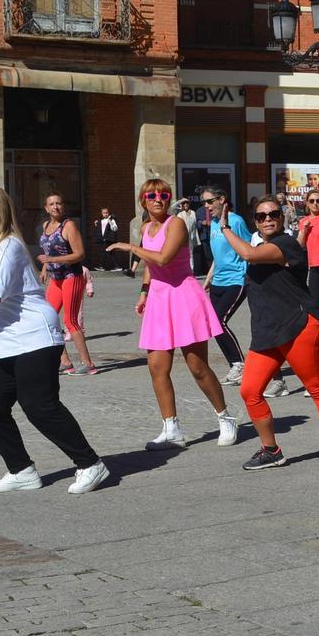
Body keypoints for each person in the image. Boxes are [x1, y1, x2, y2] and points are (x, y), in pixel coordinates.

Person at [0, 187, 108, 494]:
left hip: (33, 338)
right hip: (1, 345)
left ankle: (90, 464)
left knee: (39, 406)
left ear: (1, 215)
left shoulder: (9, 246)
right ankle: (22, 470)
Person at [217, 197, 319, 471]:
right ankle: (271, 450)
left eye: (273, 214)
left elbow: (248, 254)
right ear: (255, 221)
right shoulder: (261, 245)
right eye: (261, 216)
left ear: (282, 218)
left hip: (297, 326)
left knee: (317, 386)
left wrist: (224, 228)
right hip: (267, 332)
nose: (268, 219)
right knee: (250, 391)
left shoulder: (286, 244)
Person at [107, 179, 235, 450]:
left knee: (197, 367)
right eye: (152, 195)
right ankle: (171, 428)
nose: (158, 199)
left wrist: (131, 248)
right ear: (143, 200)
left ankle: (225, 418)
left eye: (164, 195)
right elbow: (151, 266)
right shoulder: (146, 227)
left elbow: (163, 258)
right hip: (159, 298)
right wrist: (144, 292)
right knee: (157, 368)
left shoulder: (176, 223)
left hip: (183, 296)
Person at [37, 192, 97, 376]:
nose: (56, 207)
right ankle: (65, 362)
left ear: (63, 206)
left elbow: (80, 254)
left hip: (72, 276)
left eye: (59, 203)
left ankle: (88, 364)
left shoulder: (69, 225)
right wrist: (45, 268)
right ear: (46, 208)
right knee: (47, 318)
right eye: (52, 204)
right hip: (55, 279)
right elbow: (48, 249)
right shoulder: (45, 225)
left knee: (70, 320)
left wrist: (52, 259)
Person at [201, 187, 251, 387]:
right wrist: (209, 278)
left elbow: (248, 248)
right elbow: (218, 255)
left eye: (210, 201)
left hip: (236, 280)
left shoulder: (236, 221)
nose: (206, 206)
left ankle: (240, 365)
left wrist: (249, 275)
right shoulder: (213, 224)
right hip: (218, 281)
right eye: (204, 202)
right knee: (213, 324)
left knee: (220, 321)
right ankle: (235, 366)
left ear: (222, 199)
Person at [295, 188, 319, 352]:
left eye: (318, 201)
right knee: (314, 306)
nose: (315, 204)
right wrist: (304, 230)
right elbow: (299, 245)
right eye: (312, 201)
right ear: (307, 203)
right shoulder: (304, 221)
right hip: (314, 267)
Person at [176, 199, 200, 272]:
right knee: (184, 253)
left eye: (187, 203)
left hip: (192, 236)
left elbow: (195, 224)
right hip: (184, 237)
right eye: (184, 204)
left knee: (191, 253)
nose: (186, 205)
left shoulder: (193, 213)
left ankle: (191, 270)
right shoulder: (180, 214)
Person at [95, 207, 119, 271]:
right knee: (108, 252)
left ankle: (101, 266)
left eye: (106, 213)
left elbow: (115, 228)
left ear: (109, 213)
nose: (105, 214)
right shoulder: (101, 220)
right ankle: (116, 266)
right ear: (101, 213)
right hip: (103, 239)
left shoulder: (111, 220)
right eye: (104, 213)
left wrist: (110, 221)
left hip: (109, 239)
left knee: (106, 252)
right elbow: (100, 228)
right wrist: (96, 223)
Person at [124, 210, 146, 278]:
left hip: (149, 233)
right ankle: (133, 270)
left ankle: (133, 270)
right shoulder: (146, 212)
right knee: (139, 250)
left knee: (140, 250)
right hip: (148, 234)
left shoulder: (147, 212)